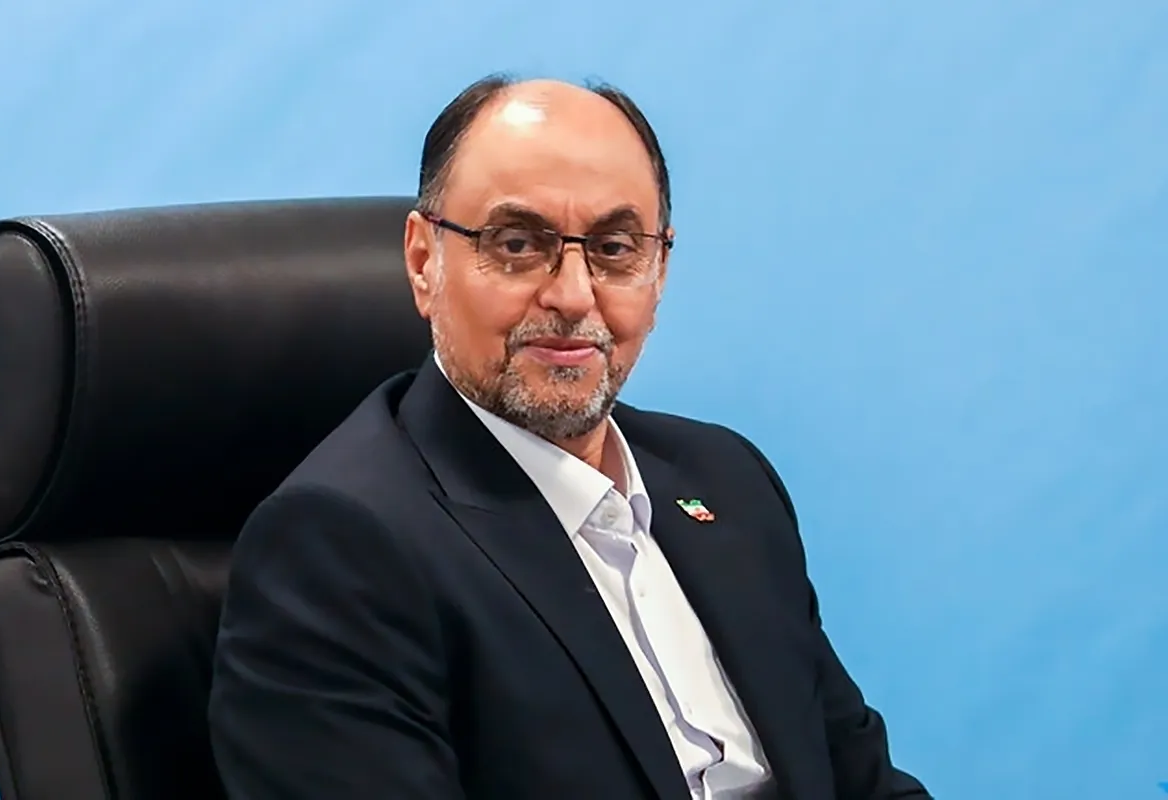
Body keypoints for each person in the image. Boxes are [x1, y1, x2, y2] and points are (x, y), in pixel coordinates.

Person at [208, 75, 931, 800]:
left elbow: (861, 780)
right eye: (518, 244)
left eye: (615, 248)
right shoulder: (338, 547)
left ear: (660, 268)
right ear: (424, 261)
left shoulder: (727, 479)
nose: (573, 294)